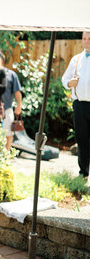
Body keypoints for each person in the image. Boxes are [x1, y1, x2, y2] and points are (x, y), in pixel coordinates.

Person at [62, 32, 90, 181]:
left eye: (89, 38)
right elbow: (64, 79)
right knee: (82, 139)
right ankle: (83, 172)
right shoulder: (76, 59)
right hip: (79, 105)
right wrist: (69, 83)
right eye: (84, 38)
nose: (87, 41)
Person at [0, 53, 22, 150]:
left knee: (8, 133)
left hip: (7, 108)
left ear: (2, 60)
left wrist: (19, 105)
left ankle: (6, 156)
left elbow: (17, 91)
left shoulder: (11, 75)